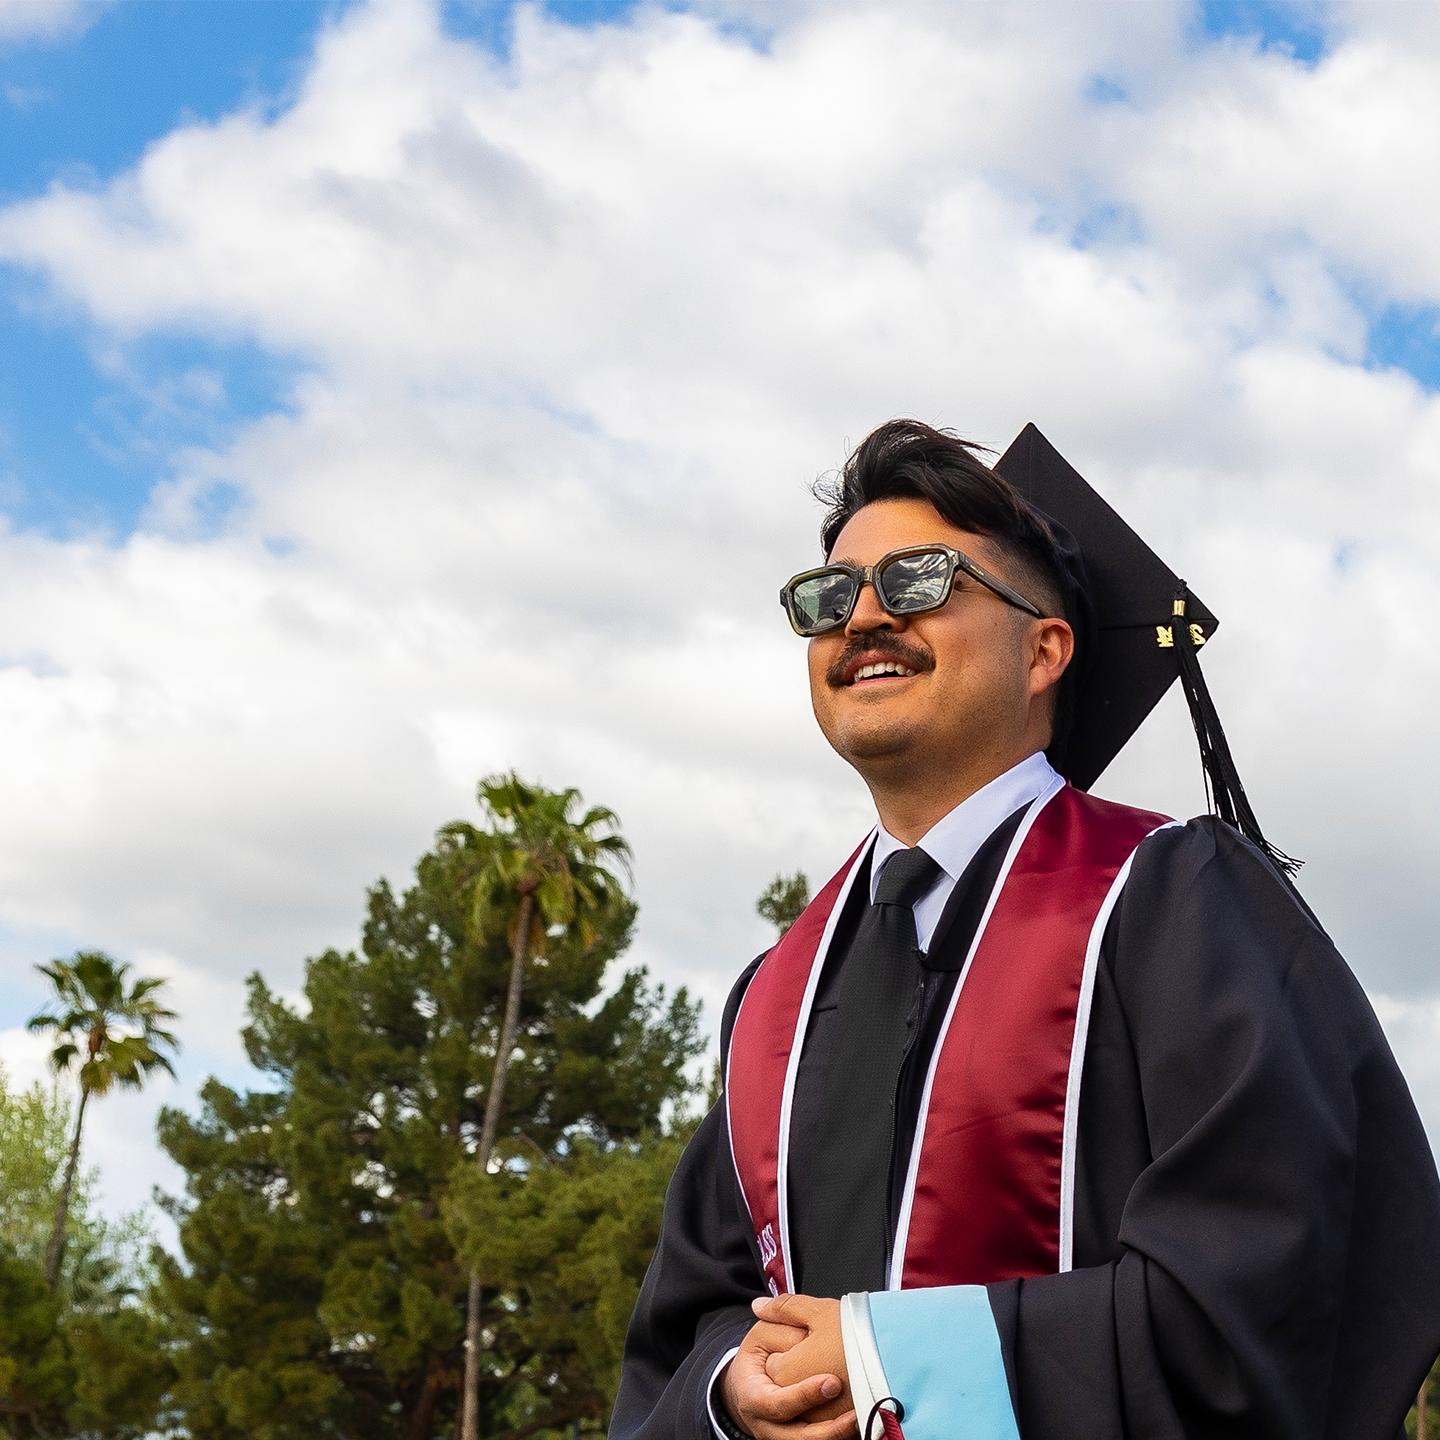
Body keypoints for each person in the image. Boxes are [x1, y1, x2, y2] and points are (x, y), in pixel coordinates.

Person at [610, 419, 1440, 1440]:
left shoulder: (1173, 901)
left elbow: (1285, 1286)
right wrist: (733, 1389)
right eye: (827, 598)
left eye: (918, 582)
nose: (862, 617)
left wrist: (893, 1361)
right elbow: (690, 1327)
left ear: (1044, 648)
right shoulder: (774, 995)